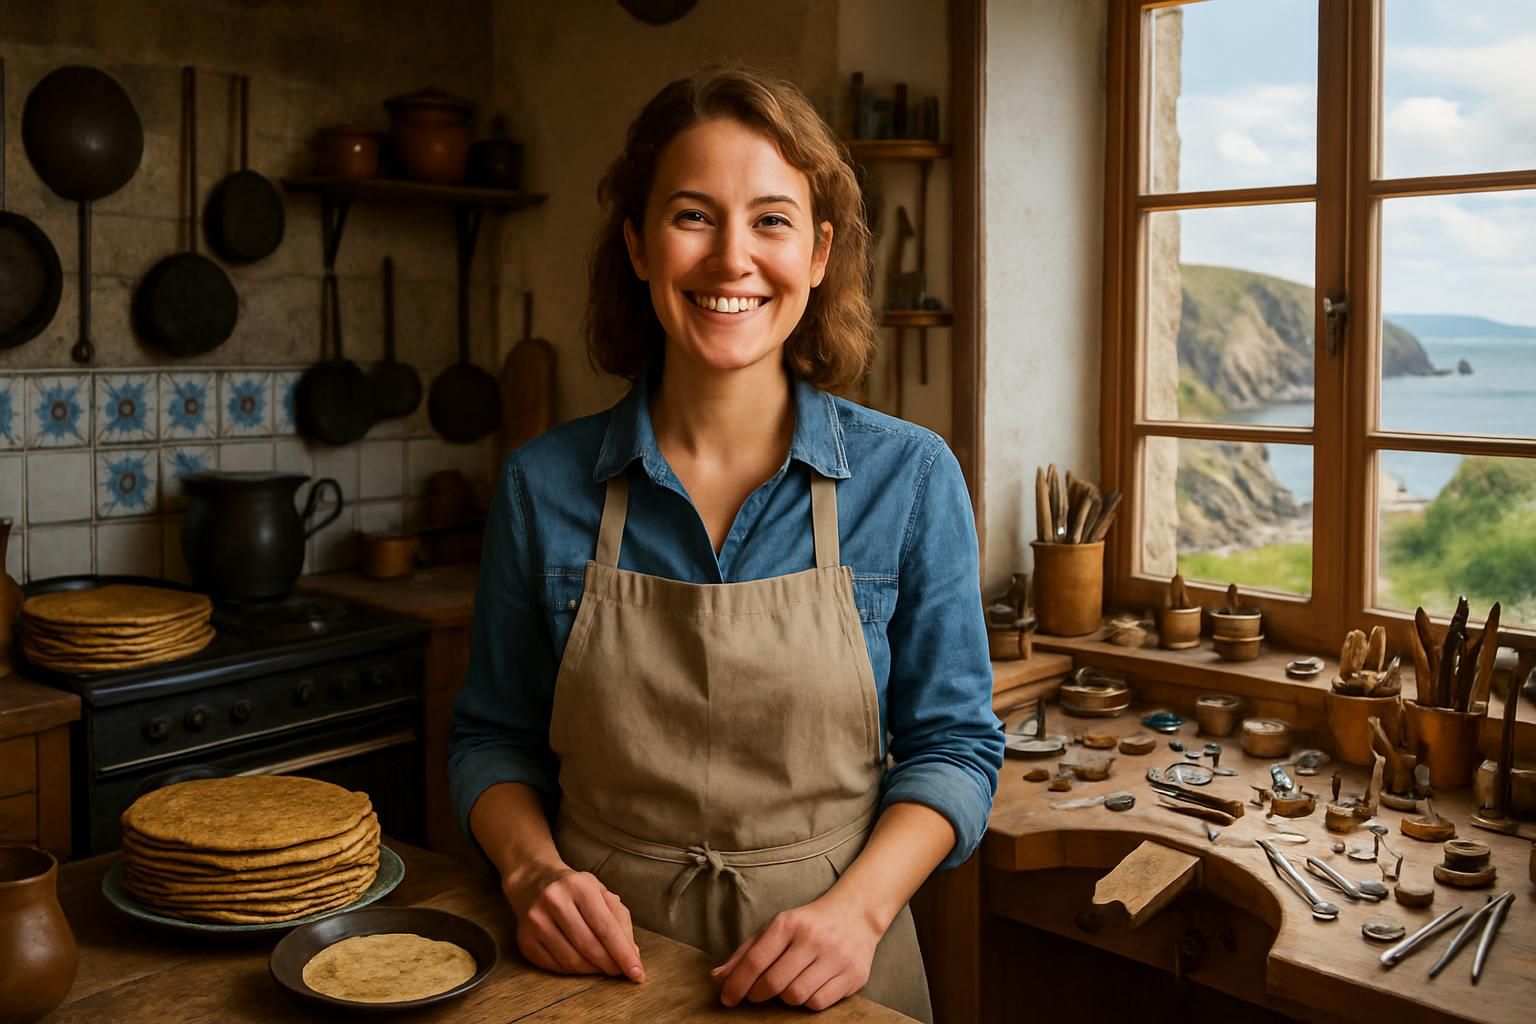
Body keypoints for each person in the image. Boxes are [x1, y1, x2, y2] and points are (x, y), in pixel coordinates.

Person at [448, 65, 1001, 1022]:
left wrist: (857, 916)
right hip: (592, 978)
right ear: (637, 243)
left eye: (772, 220)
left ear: (820, 253)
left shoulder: (909, 479)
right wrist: (533, 872)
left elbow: (953, 748)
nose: (732, 259)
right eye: (693, 216)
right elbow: (491, 740)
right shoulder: (542, 486)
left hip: (837, 979)